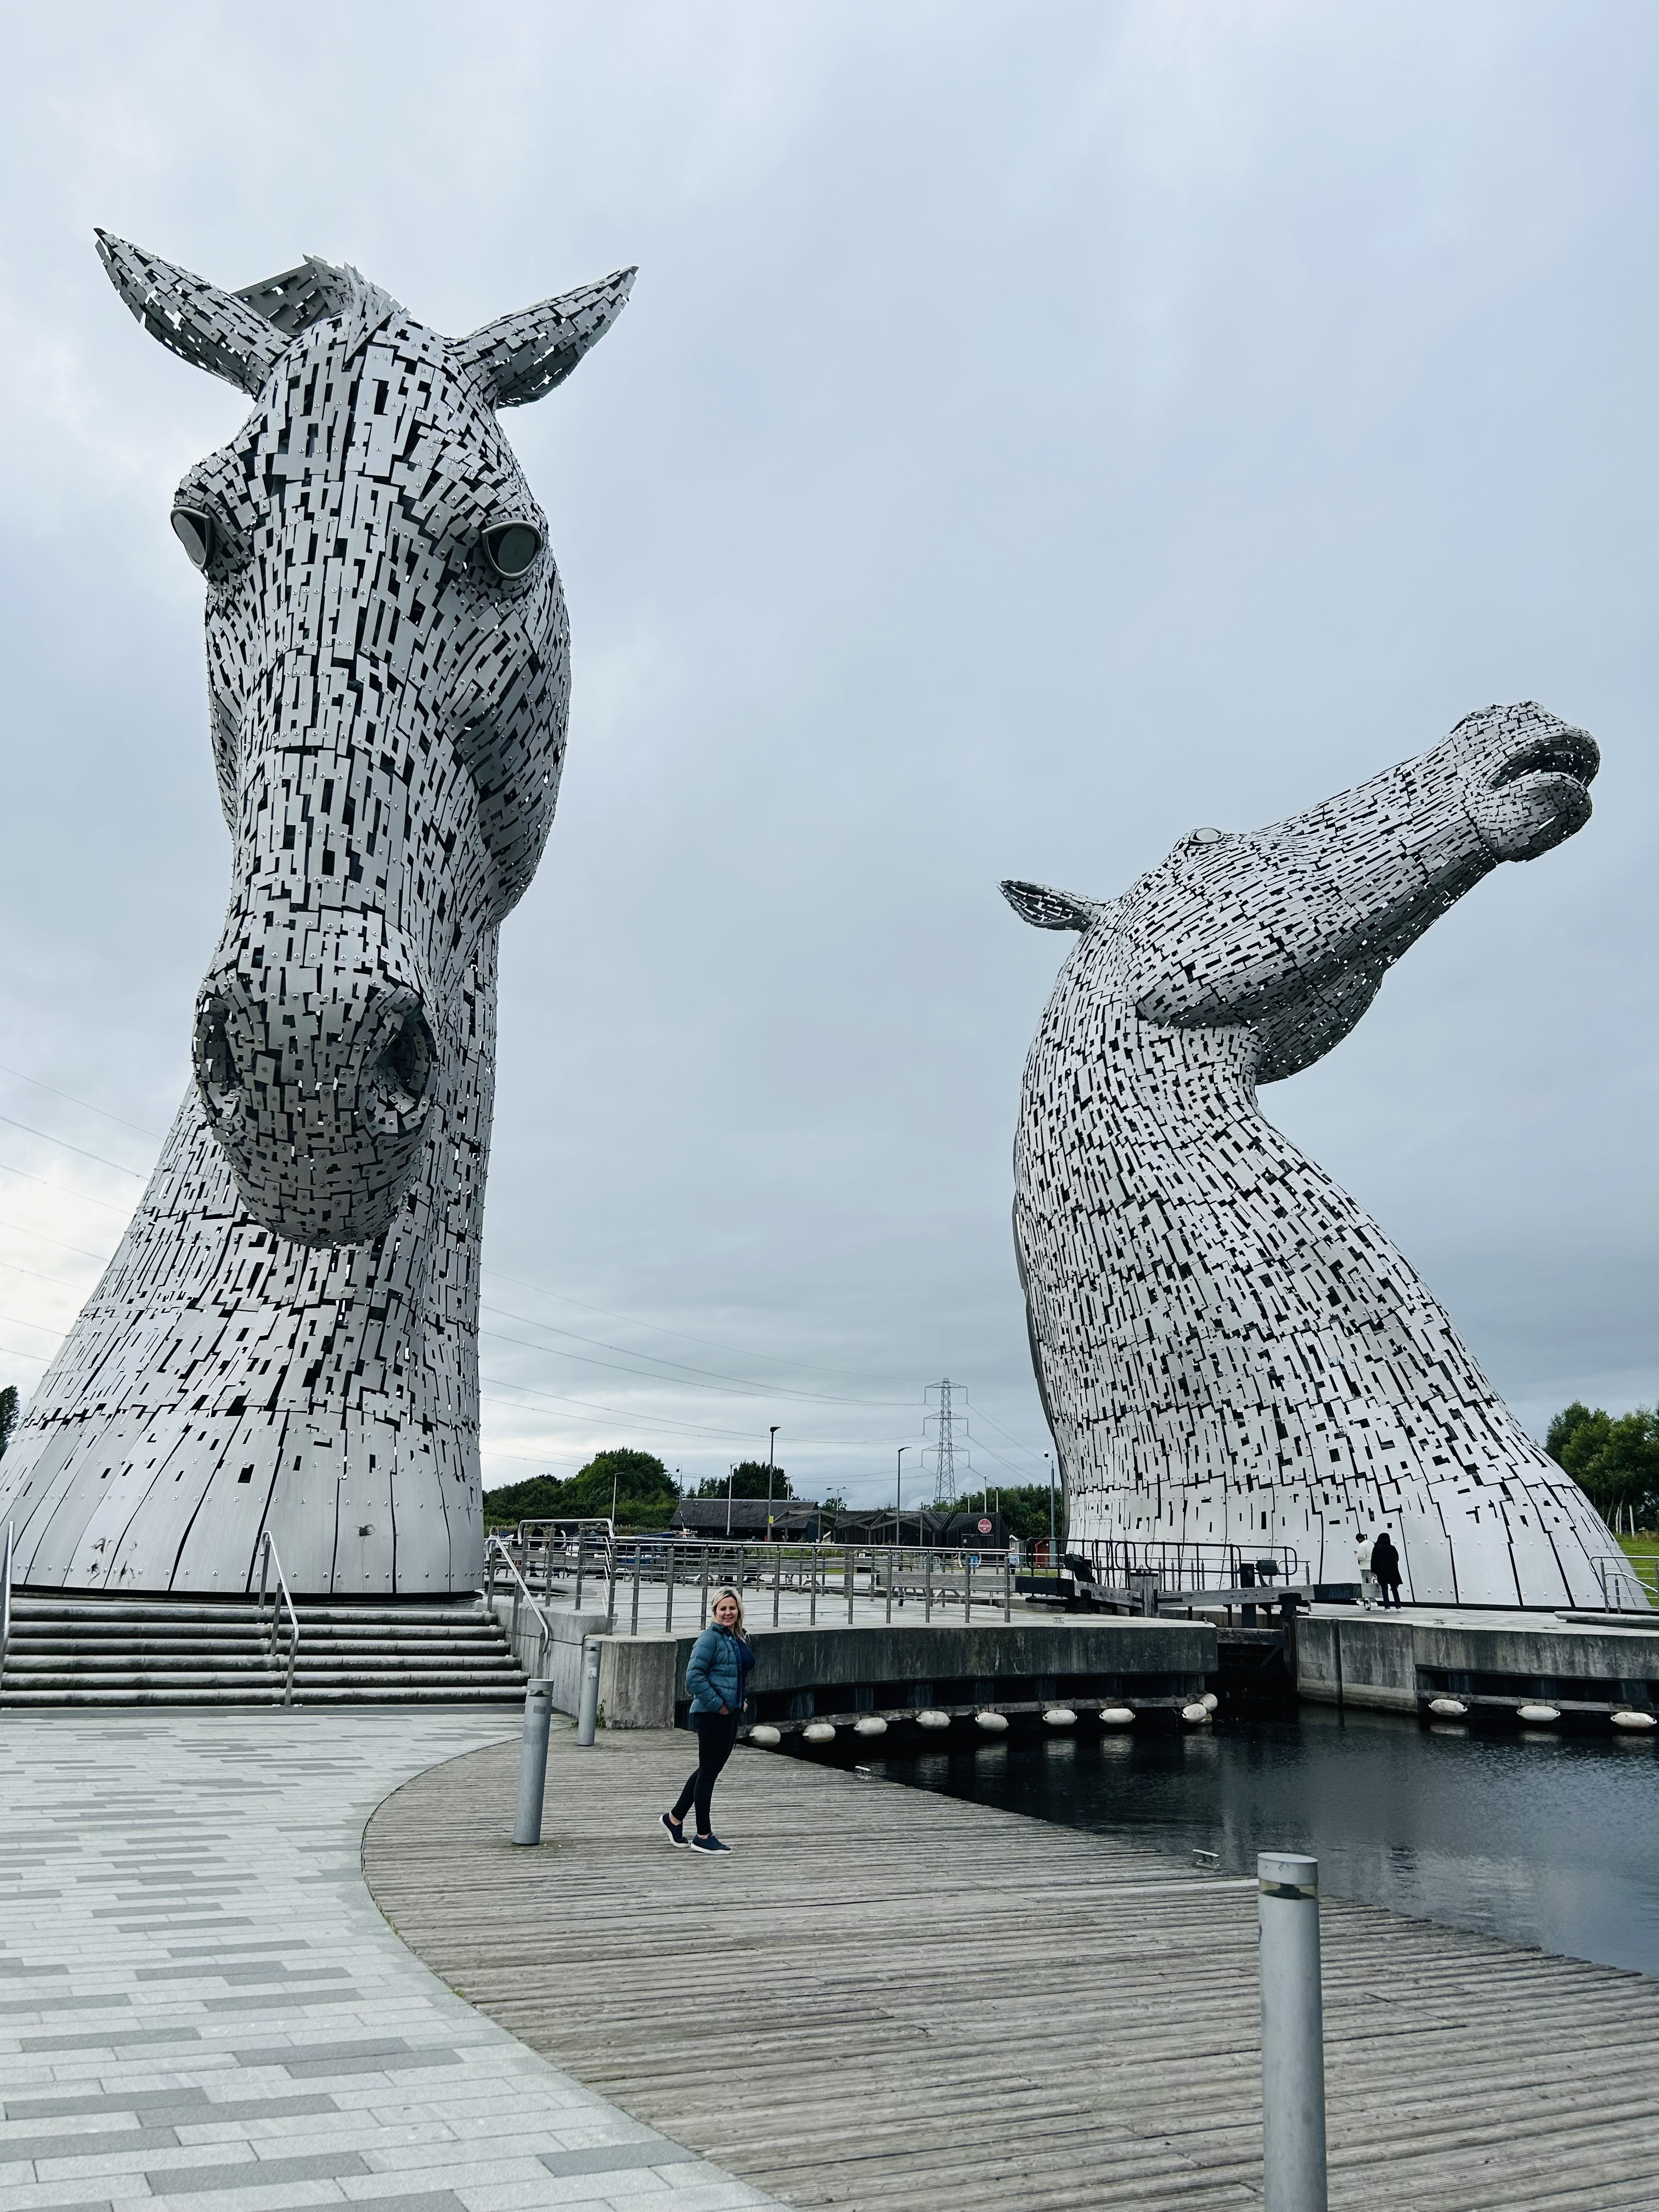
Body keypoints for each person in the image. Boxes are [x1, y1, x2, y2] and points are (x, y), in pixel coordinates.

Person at [662, 1587, 754, 1855]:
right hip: (712, 1715)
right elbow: (694, 1678)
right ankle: (703, 1835)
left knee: (707, 1770)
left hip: (729, 1714)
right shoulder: (709, 1639)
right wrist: (720, 1706)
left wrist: (739, 1699)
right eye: (722, 1609)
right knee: (708, 1774)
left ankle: (674, 1818)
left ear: (739, 1611)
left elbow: (735, 1674)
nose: (728, 1613)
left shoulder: (737, 1638)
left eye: (732, 1608)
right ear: (714, 1612)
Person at [1370, 1530, 1403, 1609]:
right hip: (1393, 1571)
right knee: (1394, 1589)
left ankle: (1387, 1607)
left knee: (1384, 1590)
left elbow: (1374, 1560)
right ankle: (1398, 1606)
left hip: (1382, 1572)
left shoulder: (1377, 1548)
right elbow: (1397, 1558)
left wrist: (1373, 1571)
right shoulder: (1392, 1548)